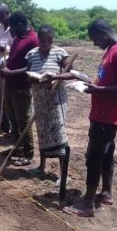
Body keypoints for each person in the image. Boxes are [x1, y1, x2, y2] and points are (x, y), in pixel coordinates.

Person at [63, 19, 117, 217]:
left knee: (94, 157)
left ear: (103, 32)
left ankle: (87, 203)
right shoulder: (112, 50)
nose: (95, 44)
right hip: (102, 113)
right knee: (106, 154)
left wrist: (98, 89)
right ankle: (106, 193)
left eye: (95, 39)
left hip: (107, 115)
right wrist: (90, 83)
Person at [25, 25, 71, 181]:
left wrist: (56, 78)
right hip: (39, 98)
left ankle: (62, 171)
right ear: (38, 39)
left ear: (52, 40)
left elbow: (71, 73)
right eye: (42, 40)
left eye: (48, 41)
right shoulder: (31, 54)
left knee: (58, 133)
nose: (45, 43)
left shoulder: (60, 53)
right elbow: (27, 75)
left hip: (55, 98)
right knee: (42, 132)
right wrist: (35, 78)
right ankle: (42, 166)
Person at [0, 11, 39, 166]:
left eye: (12, 27)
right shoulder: (18, 39)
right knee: (13, 119)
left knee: (24, 121)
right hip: (10, 84)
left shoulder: (33, 40)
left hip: (22, 86)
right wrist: (4, 66)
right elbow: (13, 59)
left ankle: (28, 154)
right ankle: (18, 148)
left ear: (21, 24)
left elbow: (32, 67)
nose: (10, 30)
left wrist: (11, 72)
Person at [0, 3, 13, 133]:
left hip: (10, 67)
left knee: (8, 97)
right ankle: (0, 122)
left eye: (1, 16)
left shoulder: (14, 27)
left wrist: (4, 49)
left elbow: (17, 46)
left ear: (7, 14)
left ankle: (10, 125)